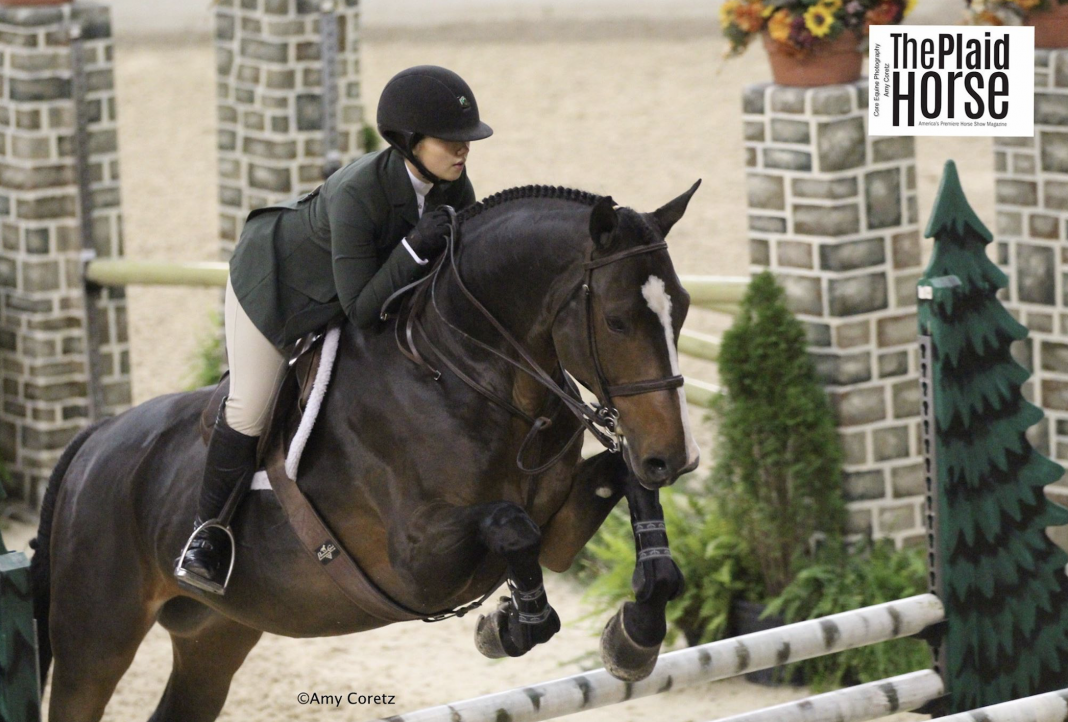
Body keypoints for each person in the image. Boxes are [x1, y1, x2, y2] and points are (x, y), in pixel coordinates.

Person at [174, 65, 493, 595]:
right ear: (408, 141)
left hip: (350, 295)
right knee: (250, 406)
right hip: (275, 289)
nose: (464, 150)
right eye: (451, 140)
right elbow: (363, 309)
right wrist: (415, 247)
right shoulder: (358, 192)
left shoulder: (454, 189)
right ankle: (207, 536)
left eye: (467, 140)